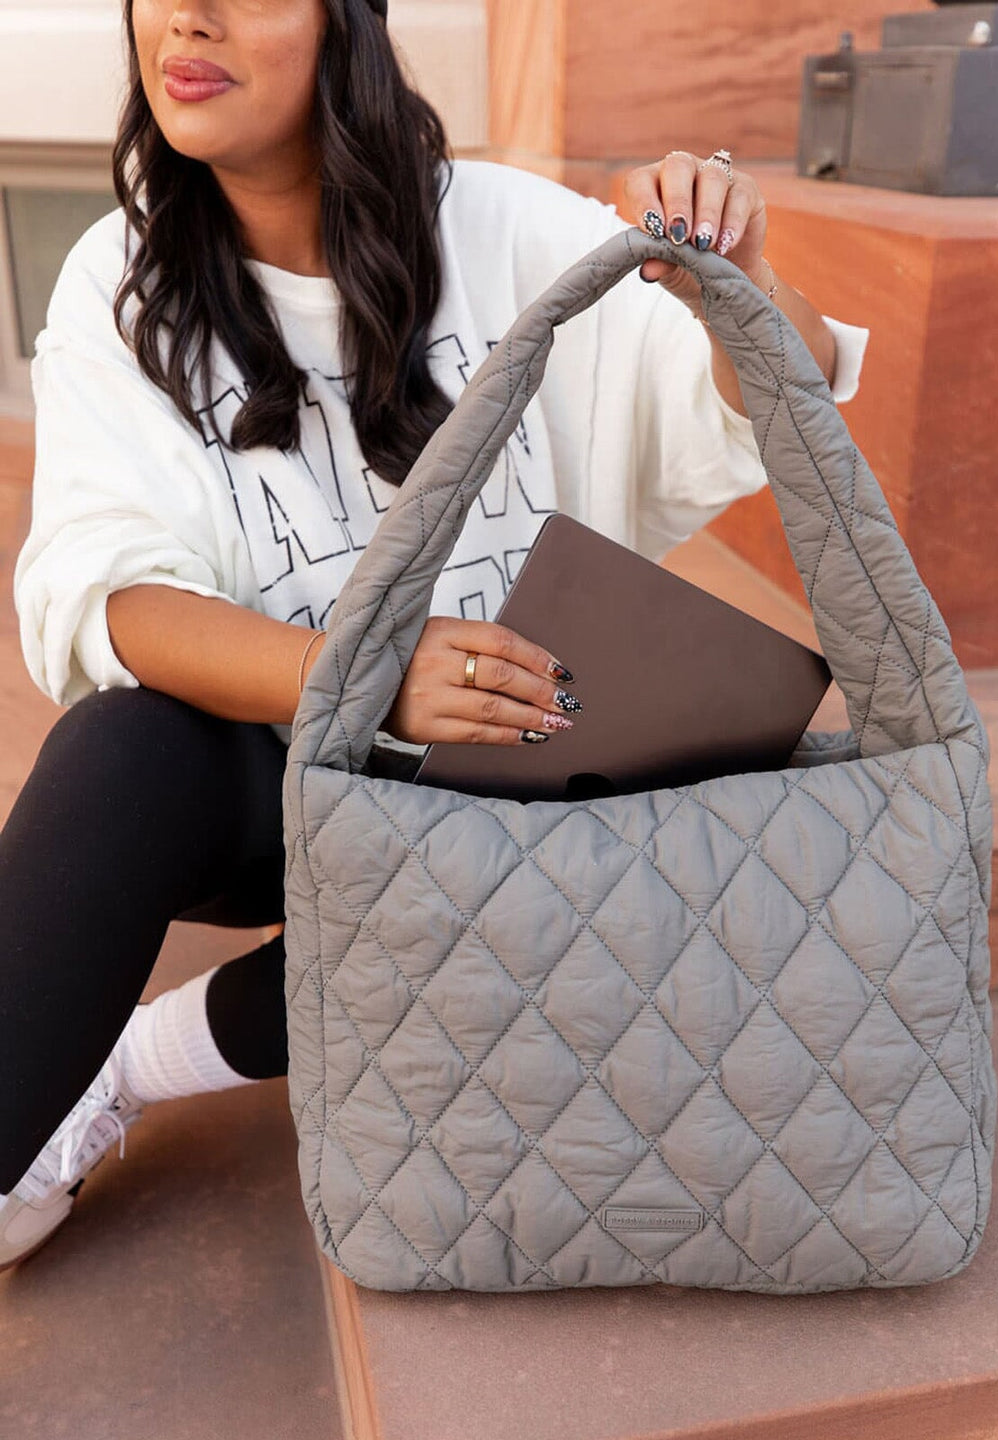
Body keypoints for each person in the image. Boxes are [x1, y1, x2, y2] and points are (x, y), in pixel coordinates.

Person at [0, 0, 868, 1269]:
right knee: (121, 751)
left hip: (508, 806)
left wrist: (733, 277)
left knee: (614, 899)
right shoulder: (119, 282)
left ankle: (137, 1058)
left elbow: (767, 404)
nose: (187, 15)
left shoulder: (508, 232)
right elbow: (111, 595)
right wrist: (363, 677)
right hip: (282, 788)